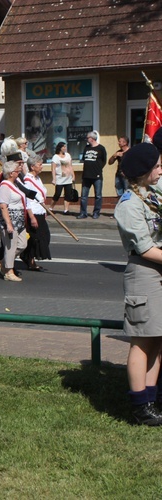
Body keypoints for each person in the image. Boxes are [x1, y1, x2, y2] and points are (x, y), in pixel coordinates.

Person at [113, 142, 162, 425]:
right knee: (143, 341)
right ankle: (139, 406)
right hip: (145, 272)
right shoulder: (129, 205)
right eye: (156, 167)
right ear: (143, 172)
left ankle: (151, 399)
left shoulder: (151, 195)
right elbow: (144, 248)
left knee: (158, 339)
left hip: (158, 270)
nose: (160, 170)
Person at [0, 161, 31, 282]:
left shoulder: (16, 184)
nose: (19, 172)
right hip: (10, 221)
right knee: (10, 247)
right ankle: (9, 272)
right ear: (11, 173)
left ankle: (2, 263)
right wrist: (8, 224)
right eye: (17, 171)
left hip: (19, 220)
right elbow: (3, 206)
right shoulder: (4, 187)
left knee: (22, 245)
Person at [20, 156, 51, 271]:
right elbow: (27, 199)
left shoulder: (37, 178)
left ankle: (27, 257)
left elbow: (41, 196)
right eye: (40, 164)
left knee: (44, 237)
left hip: (40, 211)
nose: (42, 166)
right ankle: (29, 259)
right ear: (32, 166)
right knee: (36, 238)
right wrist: (32, 217)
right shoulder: (28, 180)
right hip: (34, 213)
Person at [77, 130, 107, 219]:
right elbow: (83, 159)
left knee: (98, 195)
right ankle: (83, 213)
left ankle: (96, 212)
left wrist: (98, 169)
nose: (87, 139)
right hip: (86, 175)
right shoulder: (86, 148)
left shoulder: (101, 148)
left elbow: (104, 161)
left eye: (88, 137)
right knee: (84, 196)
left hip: (97, 176)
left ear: (92, 139)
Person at [49, 141, 74, 214]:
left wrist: (73, 175)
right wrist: (54, 179)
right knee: (57, 194)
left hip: (68, 179)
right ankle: (51, 208)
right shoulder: (55, 157)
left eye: (65, 147)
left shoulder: (68, 155)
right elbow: (53, 169)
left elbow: (70, 166)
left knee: (68, 194)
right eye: (64, 147)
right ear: (60, 148)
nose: (65, 148)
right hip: (60, 179)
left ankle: (66, 210)